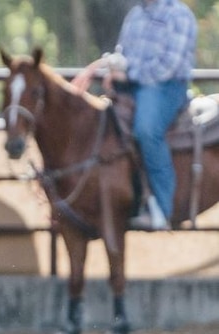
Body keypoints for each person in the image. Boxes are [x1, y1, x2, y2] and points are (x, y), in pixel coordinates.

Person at [72, 0, 197, 231]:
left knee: (147, 130)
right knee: (101, 121)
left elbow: (168, 66)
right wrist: (114, 66)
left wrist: (128, 75)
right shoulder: (136, 15)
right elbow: (124, 53)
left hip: (165, 87)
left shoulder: (179, 15)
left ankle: (162, 208)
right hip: (136, 83)